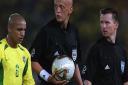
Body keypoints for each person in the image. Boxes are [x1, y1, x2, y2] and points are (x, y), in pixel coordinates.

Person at [30, 0, 83, 85]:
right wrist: (48, 78)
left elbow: (75, 64)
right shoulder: (46, 32)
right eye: (55, 6)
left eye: (61, 7)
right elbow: (32, 60)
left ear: (70, 10)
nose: (58, 10)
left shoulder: (74, 31)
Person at [83, 8, 128, 85]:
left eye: (107, 22)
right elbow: (87, 81)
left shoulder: (122, 51)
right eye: (101, 22)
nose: (103, 26)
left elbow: (126, 80)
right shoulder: (95, 49)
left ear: (116, 25)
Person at [0, 13, 35, 85]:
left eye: (24, 30)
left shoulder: (25, 53)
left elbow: (28, 82)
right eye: (19, 29)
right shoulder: (1, 49)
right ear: (9, 29)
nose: (22, 34)